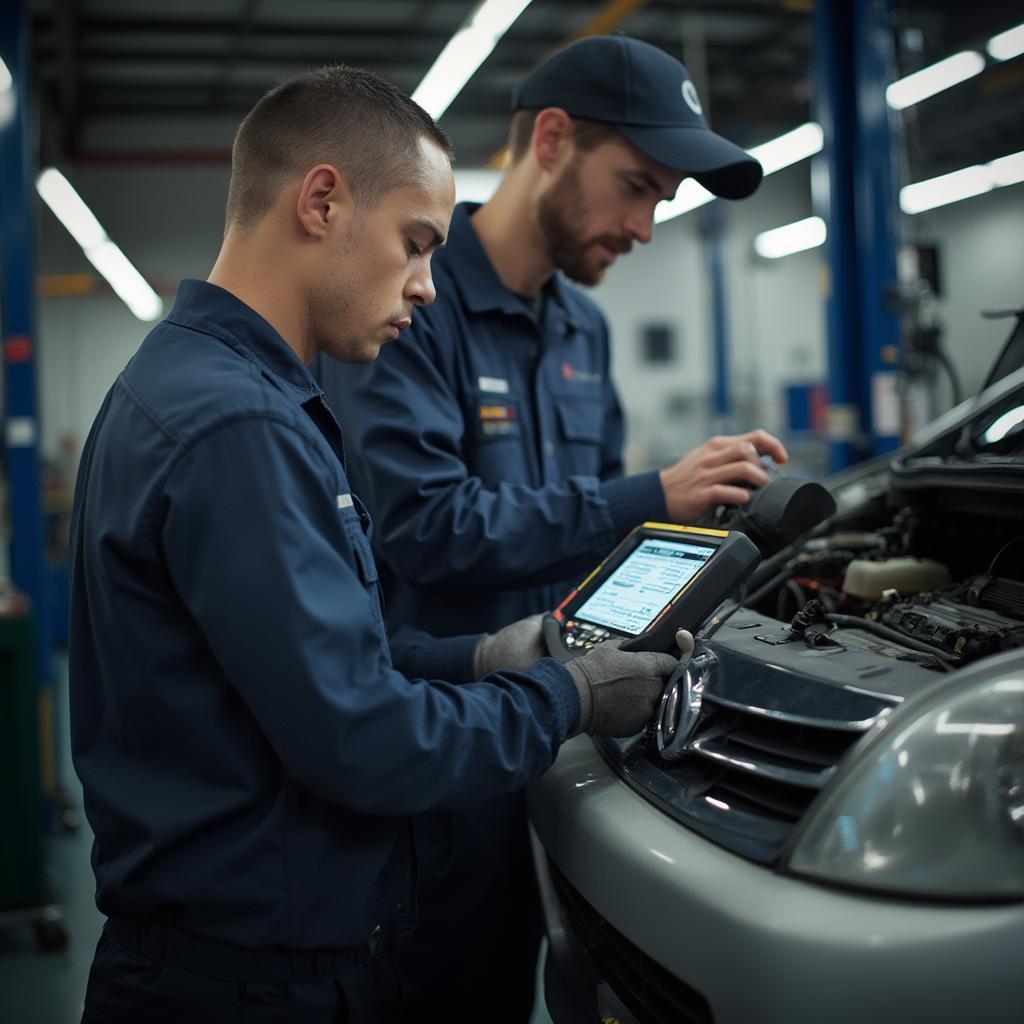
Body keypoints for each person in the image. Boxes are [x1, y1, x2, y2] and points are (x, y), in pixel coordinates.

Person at [68, 65, 684, 1024]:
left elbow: (314, 659)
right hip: (250, 984)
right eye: (414, 244)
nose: (426, 286)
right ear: (322, 201)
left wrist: (482, 656)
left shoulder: (207, 386)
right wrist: (572, 695)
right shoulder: (241, 428)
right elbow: (362, 740)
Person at [319, 35, 790, 1023]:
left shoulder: (584, 328)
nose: (646, 226)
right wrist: (650, 493)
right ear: (551, 139)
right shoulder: (413, 301)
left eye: (661, 199)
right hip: (437, 763)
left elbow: (596, 551)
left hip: (562, 742)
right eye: (635, 187)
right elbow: (421, 526)